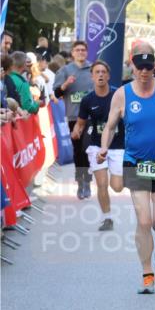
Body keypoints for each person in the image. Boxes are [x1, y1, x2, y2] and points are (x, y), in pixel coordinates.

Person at [98, 44, 155, 294]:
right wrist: (104, 147)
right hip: (135, 164)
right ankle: (147, 273)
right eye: (139, 67)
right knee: (144, 220)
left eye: (148, 67)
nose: (144, 72)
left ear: (154, 66)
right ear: (132, 67)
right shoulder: (122, 95)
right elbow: (110, 126)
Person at [75, 60, 124, 231]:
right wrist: (76, 131)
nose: (101, 75)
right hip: (96, 145)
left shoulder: (118, 95)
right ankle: (107, 218)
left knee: (116, 187)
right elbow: (80, 122)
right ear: (92, 76)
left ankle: (119, 179)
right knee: (102, 184)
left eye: (104, 72)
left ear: (108, 75)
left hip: (118, 145)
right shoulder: (88, 100)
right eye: (97, 72)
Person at [53, 41, 95, 199]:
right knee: (78, 151)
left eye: (83, 50)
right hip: (74, 117)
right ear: (72, 53)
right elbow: (56, 94)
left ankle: (88, 182)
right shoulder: (65, 70)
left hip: (91, 118)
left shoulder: (93, 68)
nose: (81, 53)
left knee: (88, 150)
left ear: (87, 52)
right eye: (77, 50)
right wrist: (65, 84)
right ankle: (80, 182)